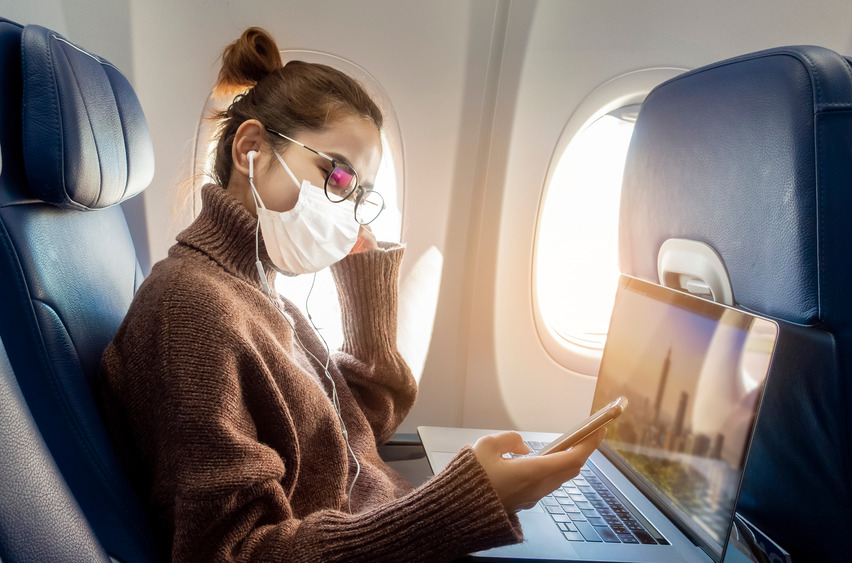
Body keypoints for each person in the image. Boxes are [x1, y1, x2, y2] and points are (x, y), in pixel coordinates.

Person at [96, 26, 604, 562]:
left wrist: (364, 275)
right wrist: (461, 505)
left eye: (359, 194)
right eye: (337, 175)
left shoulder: (262, 292)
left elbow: (349, 432)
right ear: (251, 148)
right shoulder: (193, 309)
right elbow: (233, 553)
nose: (345, 206)